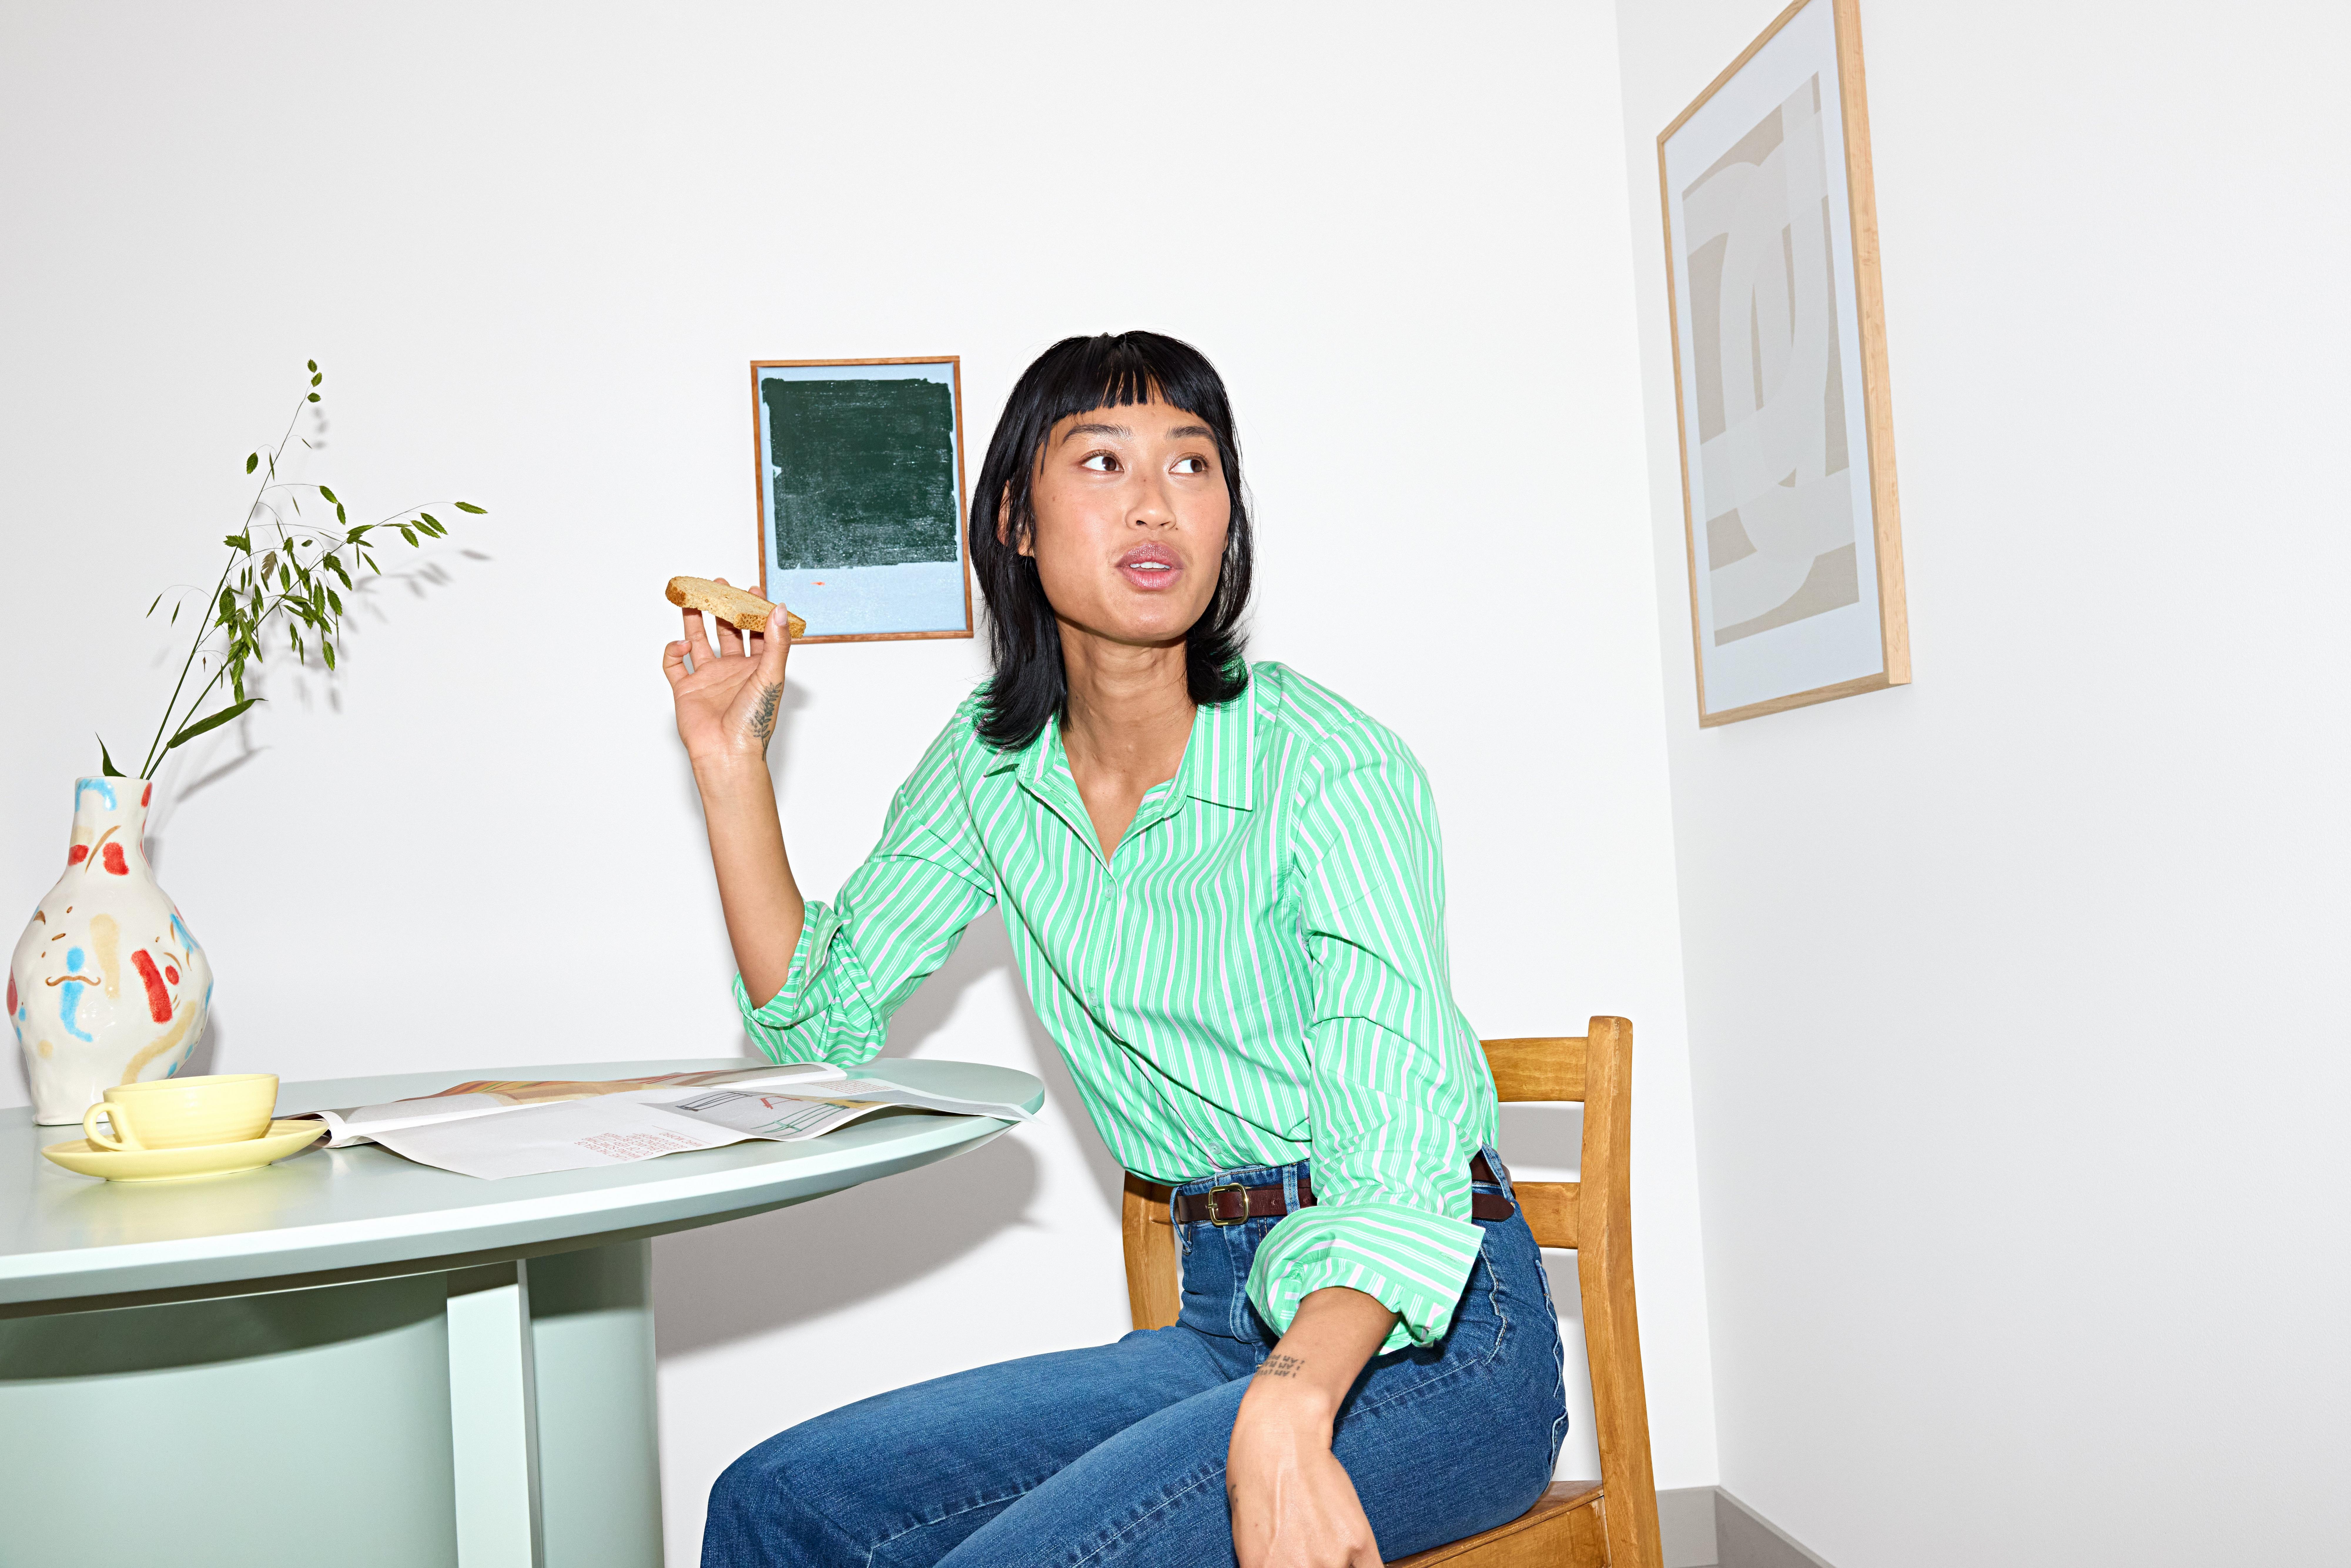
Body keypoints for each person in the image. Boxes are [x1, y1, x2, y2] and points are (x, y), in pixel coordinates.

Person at [667, 332, 1567, 1568]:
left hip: (1430, 1338)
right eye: (1101, 459)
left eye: (1193, 464)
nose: (1155, 500)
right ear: (1015, 523)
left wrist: (1293, 1400)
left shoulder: (1325, 765)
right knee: (774, 1501)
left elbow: (1398, 1156)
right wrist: (731, 771)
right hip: (1217, 1316)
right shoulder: (991, 767)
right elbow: (818, 1017)